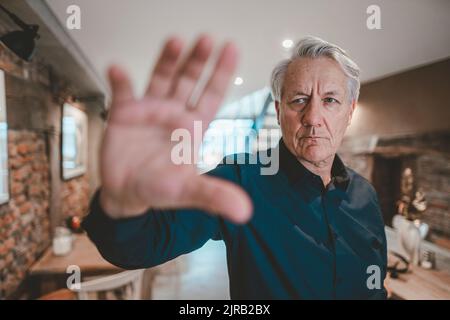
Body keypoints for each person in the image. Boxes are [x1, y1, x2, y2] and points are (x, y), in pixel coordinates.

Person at [82, 35, 387, 299]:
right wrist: (123, 204)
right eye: (299, 100)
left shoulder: (366, 197)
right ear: (279, 111)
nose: (312, 117)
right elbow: (143, 244)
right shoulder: (241, 179)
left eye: (330, 100)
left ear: (349, 111)